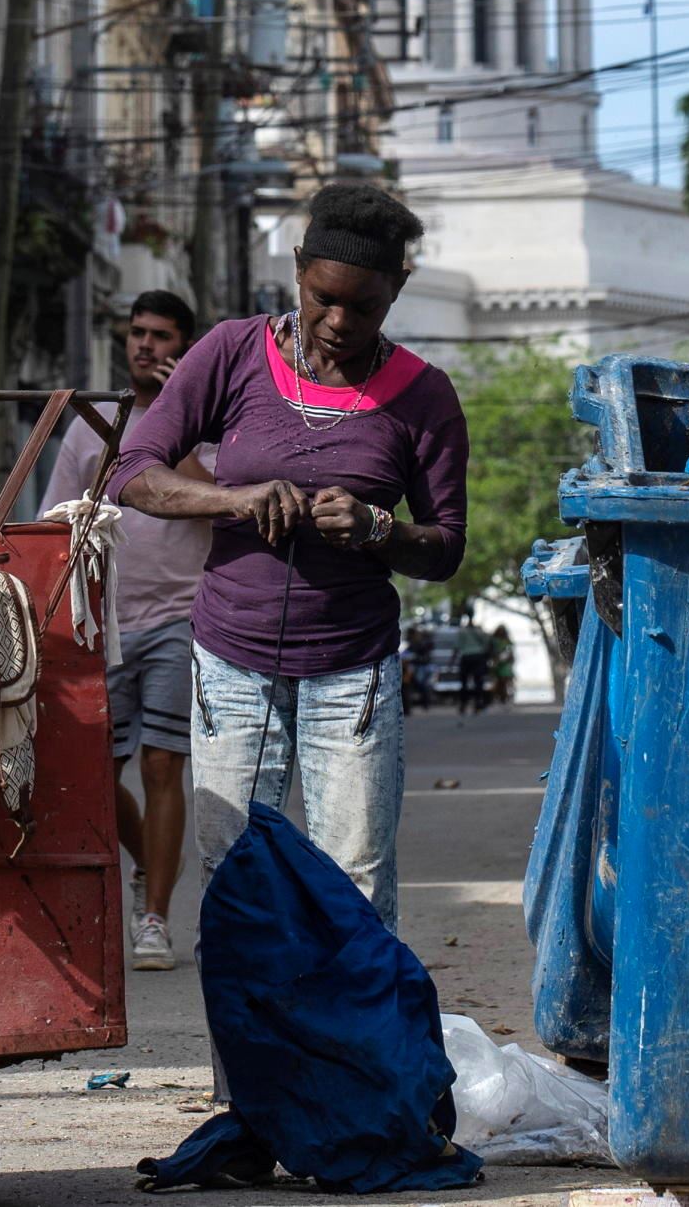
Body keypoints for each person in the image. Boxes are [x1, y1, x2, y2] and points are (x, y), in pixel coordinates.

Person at [106, 180, 466, 933]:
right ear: (298, 268)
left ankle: (354, 1053)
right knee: (238, 880)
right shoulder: (233, 352)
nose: (337, 322)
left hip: (352, 670)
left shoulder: (424, 397)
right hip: (231, 663)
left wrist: (378, 529)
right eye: (321, 297)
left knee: (354, 885)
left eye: (362, 306)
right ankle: (248, 1055)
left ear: (398, 288)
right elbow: (133, 470)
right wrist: (232, 499)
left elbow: (444, 547)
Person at [44, 289, 214, 973]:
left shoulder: (207, 424)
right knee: (91, 769)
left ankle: (154, 917)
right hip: (105, 618)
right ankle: (151, 861)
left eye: (161, 335)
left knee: (162, 763)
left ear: (186, 346)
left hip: (183, 614)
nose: (146, 345)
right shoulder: (94, 425)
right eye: (138, 333)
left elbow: (223, 496)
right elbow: (59, 518)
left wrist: (184, 415)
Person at [454, 618, 492, 719]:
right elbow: (487, 644)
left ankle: (464, 704)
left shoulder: (462, 632)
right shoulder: (479, 632)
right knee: (478, 681)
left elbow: (457, 647)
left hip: (466, 657)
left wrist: (452, 661)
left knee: (464, 682)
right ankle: (477, 703)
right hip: (478, 657)